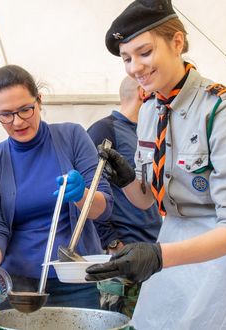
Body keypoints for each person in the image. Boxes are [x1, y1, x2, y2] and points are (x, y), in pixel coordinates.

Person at [85, 0, 226, 329]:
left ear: (177, 42)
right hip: (172, 257)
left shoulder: (221, 111)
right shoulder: (151, 109)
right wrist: (127, 179)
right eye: (127, 58)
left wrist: (158, 256)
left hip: (222, 263)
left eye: (144, 52)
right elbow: (146, 200)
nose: (134, 67)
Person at [0, 64, 114, 309]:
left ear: (39, 101)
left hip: (75, 283)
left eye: (25, 109)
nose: (17, 122)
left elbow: (104, 208)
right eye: (5, 115)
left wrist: (82, 196)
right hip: (17, 288)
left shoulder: (72, 137)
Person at [87, 76, 161, 317]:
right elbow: (90, 194)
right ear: (143, 91)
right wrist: (113, 243)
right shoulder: (105, 130)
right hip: (125, 257)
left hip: (157, 253)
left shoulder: (153, 132)